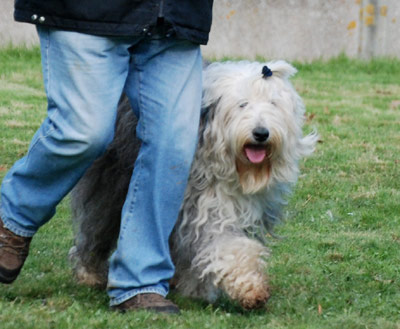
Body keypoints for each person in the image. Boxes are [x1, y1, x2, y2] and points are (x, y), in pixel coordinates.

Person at [0, 0, 213, 314]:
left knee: (174, 145)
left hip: (174, 17)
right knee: (82, 132)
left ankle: (141, 280)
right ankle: (13, 219)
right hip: (85, 12)